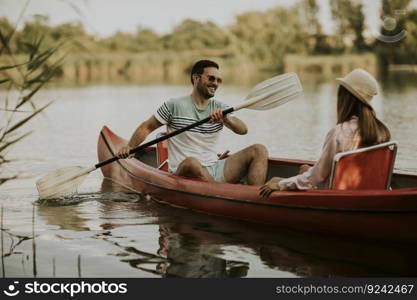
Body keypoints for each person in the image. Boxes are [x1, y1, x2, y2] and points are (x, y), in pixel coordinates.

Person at [117, 59, 268, 185]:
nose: (215, 83)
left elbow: (243, 130)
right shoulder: (174, 105)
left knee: (259, 149)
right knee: (192, 162)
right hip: (184, 170)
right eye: (211, 78)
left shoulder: (221, 107)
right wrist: (130, 147)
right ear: (196, 78)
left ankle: (256, 199)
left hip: (215, 167)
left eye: (218, 80)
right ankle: (221, 192)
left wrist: (226, 119)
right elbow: (147, 127)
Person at [259, 68, 391, 197]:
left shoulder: (339, 133)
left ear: (345, 98)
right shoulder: (382, 131)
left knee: (283, 178)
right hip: (367, 192)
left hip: (337, 197)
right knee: (305, 169)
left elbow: (316, 178)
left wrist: (281, 184)